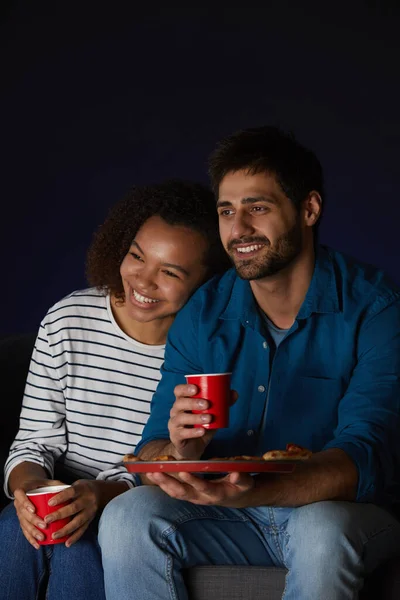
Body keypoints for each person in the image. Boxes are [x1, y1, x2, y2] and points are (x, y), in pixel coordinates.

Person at [98, 127, 400, 600]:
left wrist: (251, 490)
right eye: (226, 211)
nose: (237, 230)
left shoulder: (376, 309)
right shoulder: (203, 310)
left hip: (339, 513)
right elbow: (153, 446)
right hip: (229, 514)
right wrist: (183, 451)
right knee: (127, 515)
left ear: (309, 209)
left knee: (323, 530)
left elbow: (361, 462)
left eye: (257, 208)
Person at [0, 179, 229, 600]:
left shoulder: (204, 357)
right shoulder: (68, 319)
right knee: (16, 528)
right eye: (137, 256)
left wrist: (101, 495)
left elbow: (179, 467)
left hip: (131, 506)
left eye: (170, 272)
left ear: (207, 282)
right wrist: (30, 493)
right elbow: (33, 442)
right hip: (57, 492)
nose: (143, 281)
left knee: (80, 544)